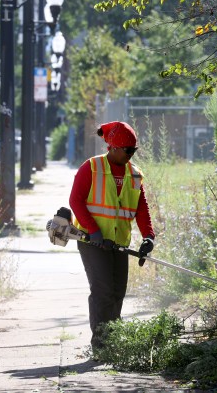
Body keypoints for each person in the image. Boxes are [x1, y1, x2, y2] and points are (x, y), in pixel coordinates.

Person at [69, 121, 156, 353]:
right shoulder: (91, 167)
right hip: (93, 242)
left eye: (133, 150)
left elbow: (141, 208)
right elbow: (75, 201)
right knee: (103, 291)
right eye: (127, 150)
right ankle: (101, 346)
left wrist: (148, 237)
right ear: (113, 147)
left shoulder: (135, 175)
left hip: (119, 243)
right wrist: (95, 232)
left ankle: (114, 341)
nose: (130, 154)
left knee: (118, 292)